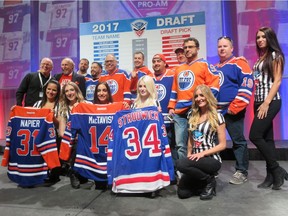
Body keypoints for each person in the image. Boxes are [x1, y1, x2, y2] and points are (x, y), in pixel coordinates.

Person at [168, 37, 220, 160]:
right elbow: (174, 90)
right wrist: (171, 107)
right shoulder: (179, 68)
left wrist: (205, 106)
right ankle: (183, 172)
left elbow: (214, 87)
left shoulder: (205, 65)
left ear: (197, 48)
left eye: (190, 47)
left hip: (197, 110)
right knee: (180, 145)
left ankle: (205, 169)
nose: (187, 49)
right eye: (185, 47)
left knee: (200, 143)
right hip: (180, 112)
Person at [249, 27, 287, 190]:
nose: (260, 40)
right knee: (268, 139)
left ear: (270, 38)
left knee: (255, 135)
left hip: (270, 101)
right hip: (258, 101)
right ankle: (271, 177)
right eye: (258, 37)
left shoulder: (275, 55)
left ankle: (276, 169)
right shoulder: (260, 57)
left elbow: (277, 81)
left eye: (263, 37)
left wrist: (266, 103)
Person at [176, 84, 226, 200]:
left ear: (208, 96)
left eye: (202, 95)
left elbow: (222, 145)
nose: (199, 98)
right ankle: (203, 183)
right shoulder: (192, 115)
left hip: (211, 159)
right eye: (196, 96)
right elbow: (190, 139)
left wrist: (202, 153)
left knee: (180, 164)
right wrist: (189, 155)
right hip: (195, 159)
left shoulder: (217, 116)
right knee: (182, 194)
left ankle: (209, 180)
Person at [215, 36, 254, 185]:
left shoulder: (240, 63)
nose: (222, 49)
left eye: (225, 46)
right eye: (219, 46)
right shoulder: (215, 67)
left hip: (232, 109)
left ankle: (242, 171)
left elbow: (247, 84)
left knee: (238, 141)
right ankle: (212, 169)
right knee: (212, 141)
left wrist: (235, 106)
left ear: (232, 48)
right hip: (216, 112)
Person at [58, 81, 86, 189]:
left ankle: (78, 171)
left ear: (76, 91)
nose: (69, 93)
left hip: (85, 137)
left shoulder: (86, 105)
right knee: (75, 144)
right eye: (66, 91)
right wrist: (71, 136)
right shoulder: (63, 109)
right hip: (71, 139)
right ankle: (73, 172)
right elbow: (61, 131)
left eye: (71, 90)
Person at [151, 54, 177, 170]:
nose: (156, 63)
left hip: (170, 118)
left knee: (172, 146)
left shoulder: (172, 74)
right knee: (156, 146)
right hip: (154, 120)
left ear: (164, 63)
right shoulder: (148, 77)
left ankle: (175, 171)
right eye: (154, 61)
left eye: (159, 61)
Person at [33, 79, 62, 184]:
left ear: (58, 92)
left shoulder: (60, 105)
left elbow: (60, 125)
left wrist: (53, 117)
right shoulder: (37, 104)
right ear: (45, 90)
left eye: (54, 90)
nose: (51, 92)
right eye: (49, 89)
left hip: (54, 136)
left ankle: (54, 175)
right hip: (39, 134)